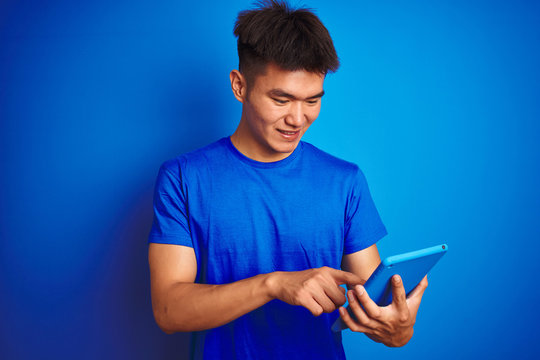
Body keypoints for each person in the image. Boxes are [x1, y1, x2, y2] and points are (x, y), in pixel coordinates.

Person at [148, 1, 428, 359]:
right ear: (239, 86)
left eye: (312, 100)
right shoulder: (183, 179)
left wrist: (399, 328)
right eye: (281, 99)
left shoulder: (345, 182)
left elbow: (377, 315)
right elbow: (169, 310)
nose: (298, 118)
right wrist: (274, 285)